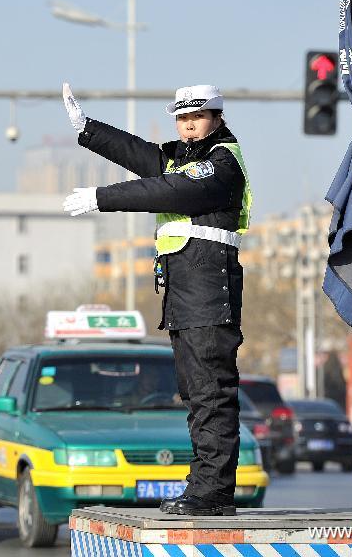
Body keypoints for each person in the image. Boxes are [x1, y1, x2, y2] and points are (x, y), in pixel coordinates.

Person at [61, 83, 251, 517]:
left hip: (208, 292)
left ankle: (213, 493)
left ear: (217, 117)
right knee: (196, 395)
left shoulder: (220, 164)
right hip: (187, 295)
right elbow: (142, 155)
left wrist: (100, 198)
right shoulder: (186, 157)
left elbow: (168, 190)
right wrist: (88, 128)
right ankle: (203, 486)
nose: (188, 125)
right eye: (182, 118)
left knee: (211, 395)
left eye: (197, 117)